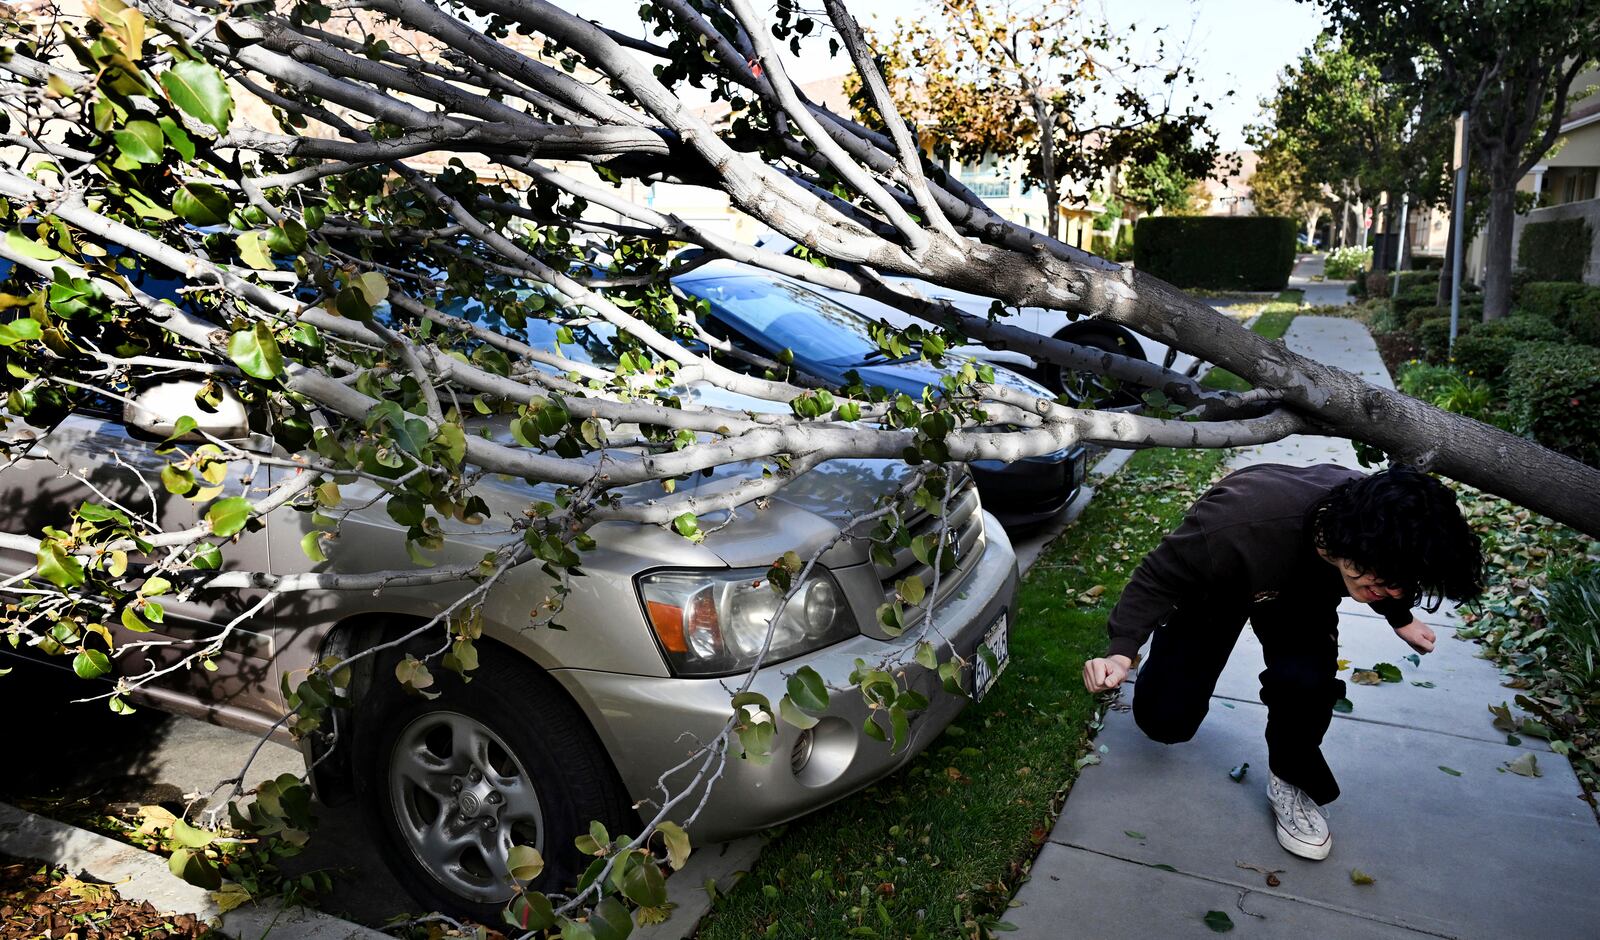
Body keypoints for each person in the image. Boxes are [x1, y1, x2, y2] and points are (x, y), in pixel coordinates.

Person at [1080, 463, 1483, 860]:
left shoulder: (1383, 522)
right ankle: (1168, 672)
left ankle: (1291, 777)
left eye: (1399, 584)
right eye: (1381, 580)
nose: (1390, 589)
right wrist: (1121, 650)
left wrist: (1400, 617)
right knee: (1164, 723)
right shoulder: (1232, 525)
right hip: (1222, 580)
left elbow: (1394, 574)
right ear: (1349, 541)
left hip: (1301, 594)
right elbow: (1156, 577)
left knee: (1307, 683)